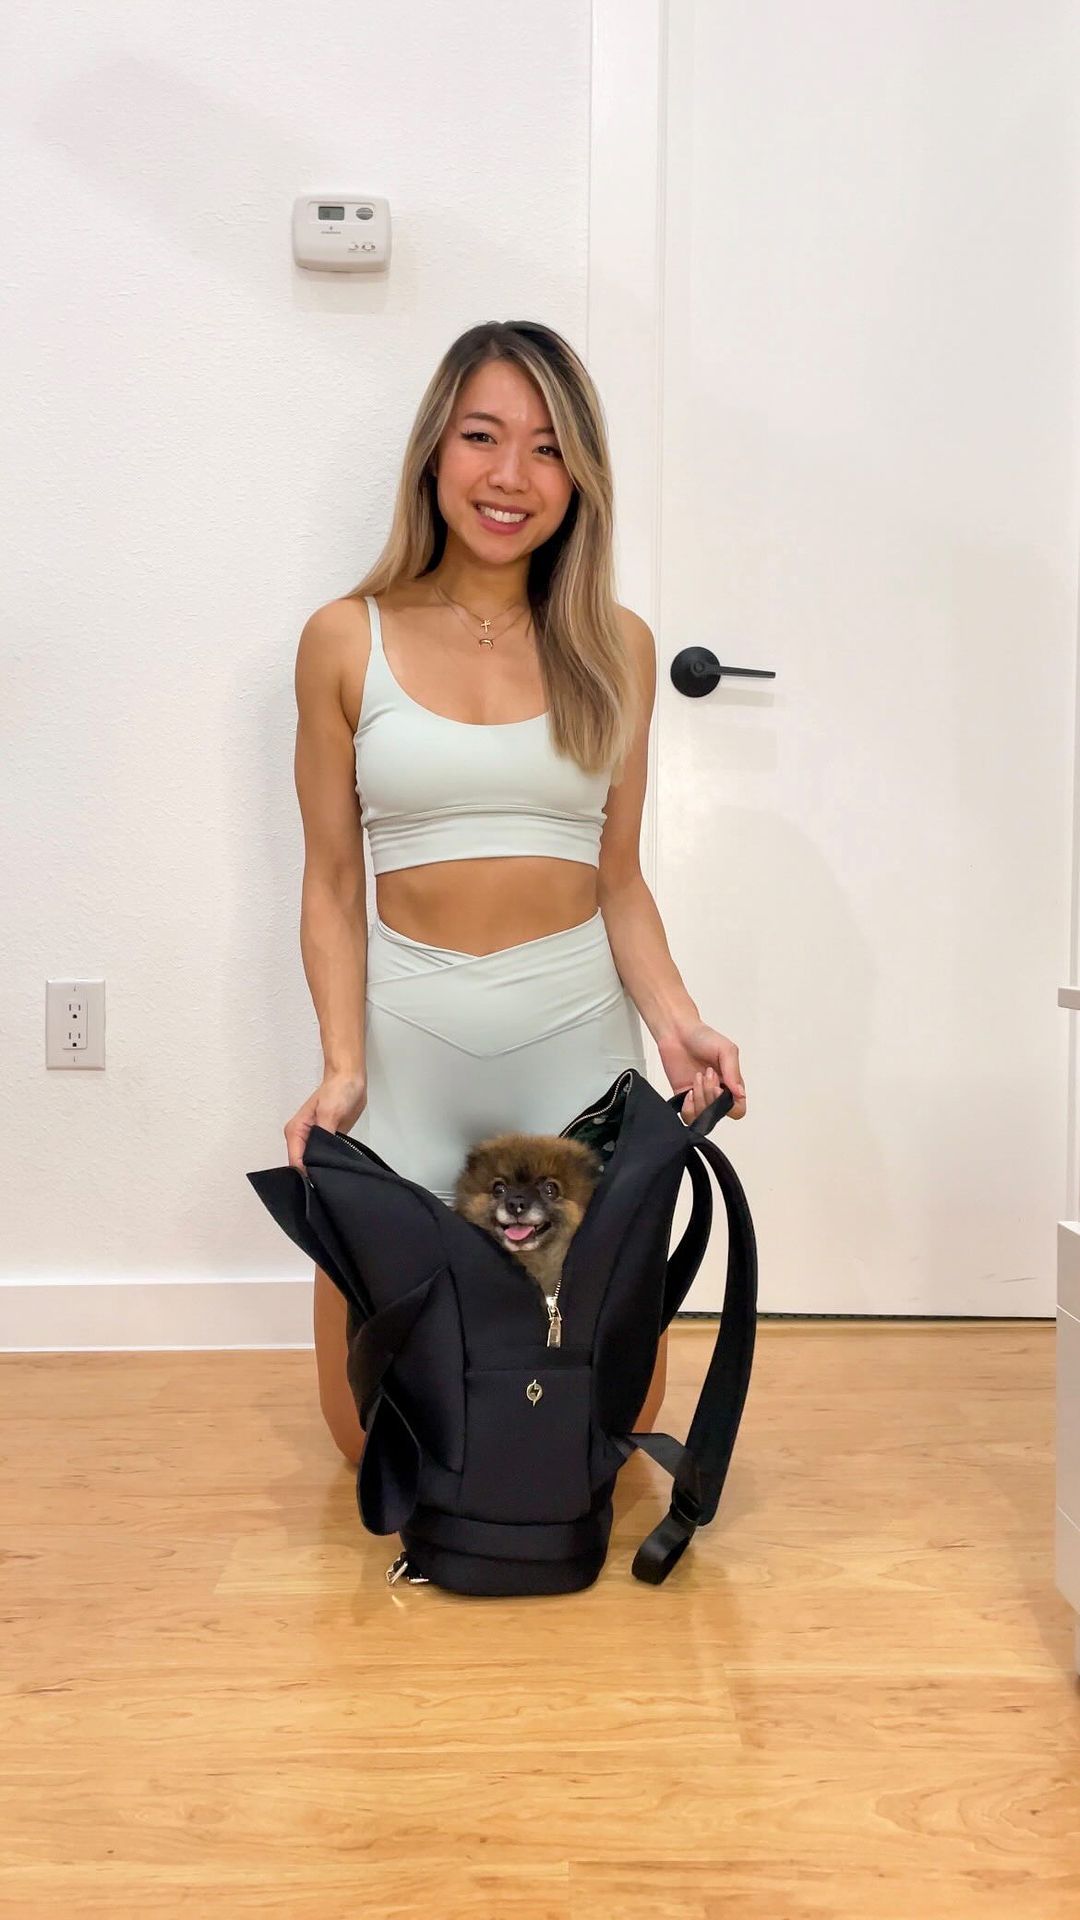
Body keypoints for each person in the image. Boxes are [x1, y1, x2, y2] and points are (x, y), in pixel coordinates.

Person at [285, 319, 747, 1467]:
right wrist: (342, 1069)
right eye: (483, 437)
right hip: (409, 1048)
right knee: (366, 1442)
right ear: (435, 453)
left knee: (604, 1435)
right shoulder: (345, 639)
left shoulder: (616, 646)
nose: (511, 476)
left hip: (571, 1049)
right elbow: (333, 882)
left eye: (547, 449)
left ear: (578, 478)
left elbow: (618, 878)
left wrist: (679, 1024)